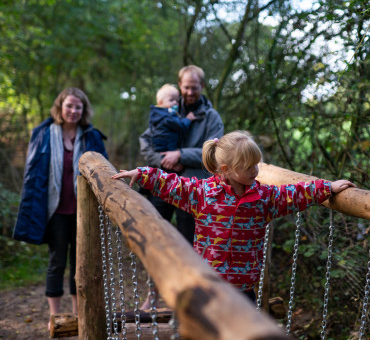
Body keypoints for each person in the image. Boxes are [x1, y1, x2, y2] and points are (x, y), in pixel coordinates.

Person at [112, 130, 356, 303]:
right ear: (227, 170)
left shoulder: (264, 198)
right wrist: (142, 173)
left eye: (256, 164)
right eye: (248, 166)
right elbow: (172, 184)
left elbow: (294, 193)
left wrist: (327, 188)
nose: (255, 170)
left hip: (243, 288)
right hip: (208, 285)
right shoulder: (204, 194)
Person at [13, 87, 108, 327]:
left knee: (81, 263)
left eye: (78, 107)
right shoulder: (43, 134)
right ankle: (54, 316)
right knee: (56, 262)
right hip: (55, 211)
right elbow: (32, 176)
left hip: (83, 212)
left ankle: (79, 314)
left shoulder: (91, 136)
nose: (73, 110)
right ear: (60, 107)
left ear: (83, 110)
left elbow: (105, 171)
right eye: (69, 106)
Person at [139, 65, 224, 244]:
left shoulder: (212, 117)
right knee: (155, 235)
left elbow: (215, 152)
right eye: (186, 87)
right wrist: (163, 160)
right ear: (180, 85)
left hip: (193, 188)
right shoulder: (169, 109)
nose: (190, 92)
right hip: (163, 181)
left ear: (202, 86)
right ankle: (156, 272)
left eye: (194, 87)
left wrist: (180, 155)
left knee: (188, 241)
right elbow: (146, 141)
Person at [150, 83, 196, 153]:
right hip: (167, 148)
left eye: (177, 101)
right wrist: (188, 119)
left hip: (159, 148)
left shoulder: (157, 114)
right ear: (161, 103)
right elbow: (180, 126)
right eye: (171, 100)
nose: (175, 103)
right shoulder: (167, 116)